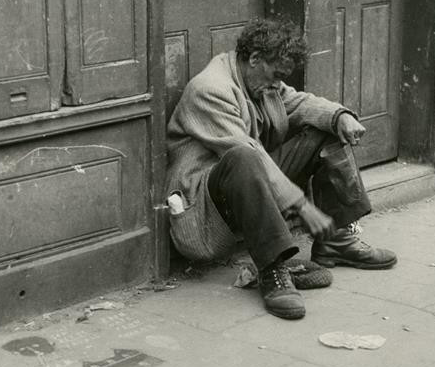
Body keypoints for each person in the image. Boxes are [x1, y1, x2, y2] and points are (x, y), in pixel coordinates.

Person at [166, 17, 396, 320]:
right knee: (243, 157)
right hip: (208, 210)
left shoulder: (261, 81)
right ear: (255, 59)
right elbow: (250, 153)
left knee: (324, 130)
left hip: (251, 188)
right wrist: (302, 205)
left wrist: (339, 116)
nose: (278, 84)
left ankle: (336, 241)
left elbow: (299, 102)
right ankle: (272, 269)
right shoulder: (210, 89)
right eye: (276, 75)